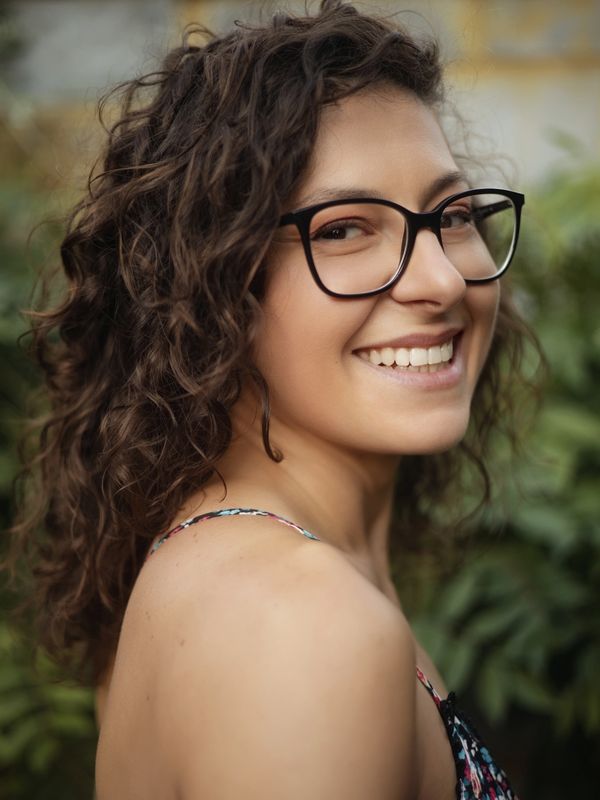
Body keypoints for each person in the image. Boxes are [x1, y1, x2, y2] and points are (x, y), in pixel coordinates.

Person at [9, 1, 535, 797]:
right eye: (343, 230)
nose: (442, 279)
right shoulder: (300, 627)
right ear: (215, 286)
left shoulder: (238, 569)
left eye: (452, 215)